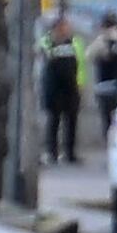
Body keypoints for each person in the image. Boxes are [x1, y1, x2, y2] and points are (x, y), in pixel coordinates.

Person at [40, 25, 82, 166]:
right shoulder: (47, 42)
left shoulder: (73, 43)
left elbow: (79, 62)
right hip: (54, 89)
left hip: (70, 88)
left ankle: (69, 153)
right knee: (53, 122)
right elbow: (44, 54)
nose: (64, 31)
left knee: (71, 122)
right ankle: (52, 152)